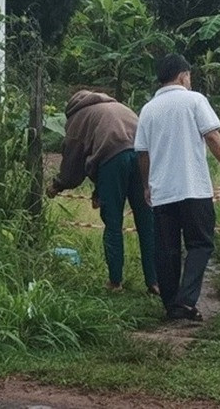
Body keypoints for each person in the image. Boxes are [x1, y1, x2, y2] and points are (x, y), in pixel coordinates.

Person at [134, 54, 220, 321]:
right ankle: (186, 301)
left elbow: (143, 153)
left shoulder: (148, 109)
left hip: (162, 192)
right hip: (193, 188)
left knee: (166, 249)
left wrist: (147, 185)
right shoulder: (194, 100)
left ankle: (171, 304)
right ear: (183, 76)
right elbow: (212, 135)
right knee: (200, 244)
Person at [48, 89, 158, 294]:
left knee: (113, 222)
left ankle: (115, 282)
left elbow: (73, 164)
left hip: (113, 159)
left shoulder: (78, 117)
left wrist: (57, 185)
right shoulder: (118, 106)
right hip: (142, 157)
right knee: (147, 221)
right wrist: (100, 190)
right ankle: (155, 282)